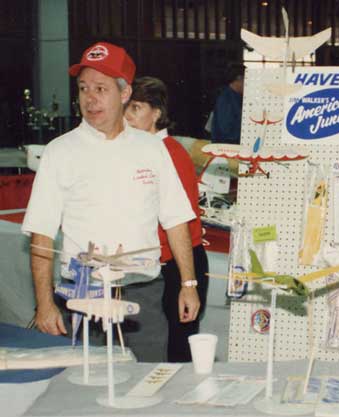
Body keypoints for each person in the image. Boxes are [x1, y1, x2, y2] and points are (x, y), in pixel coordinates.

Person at [22, 42, 200, 353]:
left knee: (145, 387)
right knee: (79, 391)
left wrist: (188, 285)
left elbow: (175, 220)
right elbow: (41, 236)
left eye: (101, 89)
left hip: (143, 295)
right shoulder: (59, 152)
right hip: (81, 295)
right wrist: (44, 304)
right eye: (83, 88)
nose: (90, 99)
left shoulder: (152, 149)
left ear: (125, 94)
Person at [125, 76, 209, 362]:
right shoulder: (141, 151)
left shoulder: (170, 153)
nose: (128, 117)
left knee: (176, 352)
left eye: (136, 108)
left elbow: (179, 222)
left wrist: (188, 284)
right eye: (126, 108)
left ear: (156, 113)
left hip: (179, 263)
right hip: (157, 263)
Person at [210, 65, 244, 144]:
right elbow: (227, 131)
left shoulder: (237, 96)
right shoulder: (225, 98)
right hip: (225, 148)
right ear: (239, 78)